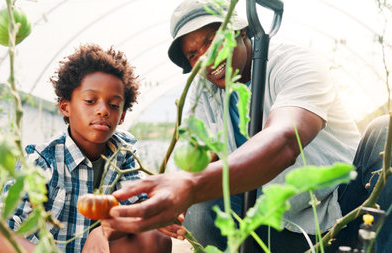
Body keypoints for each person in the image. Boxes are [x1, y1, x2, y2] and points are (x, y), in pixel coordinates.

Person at [102, 0, 391, 252]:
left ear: (239, 30)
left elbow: (286, 140)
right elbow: (189, 161)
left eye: (212, 39)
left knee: (385, 130)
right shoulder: (202, 93)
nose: (206, 57)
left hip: (347, 204)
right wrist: (172, 202)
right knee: (201, 209)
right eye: (193, 54)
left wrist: (189, 186)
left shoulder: (294, 63)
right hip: (275, 223)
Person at [0, 44, 172, 253]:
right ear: (65, 107)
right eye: (90, 101)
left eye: (114, 105)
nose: (103, 111)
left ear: (123, 115)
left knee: (155, 237)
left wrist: (104, 230)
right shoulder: (43, 161)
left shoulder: (123, 154)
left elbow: (141, 211)